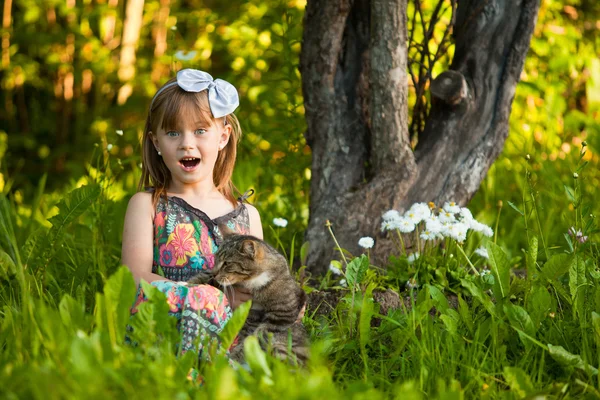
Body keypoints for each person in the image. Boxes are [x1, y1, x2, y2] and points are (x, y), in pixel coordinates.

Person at [121, 68, 262, 357]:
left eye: (200, 130)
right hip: (163, 328)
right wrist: (202, 295)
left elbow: (258, 284)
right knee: (200, 300)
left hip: (228, 334)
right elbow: (134, 277)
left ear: (222, 137)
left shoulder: (246, 215)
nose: (187, 142)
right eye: (173, 132)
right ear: (157, 143)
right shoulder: (147, 205)